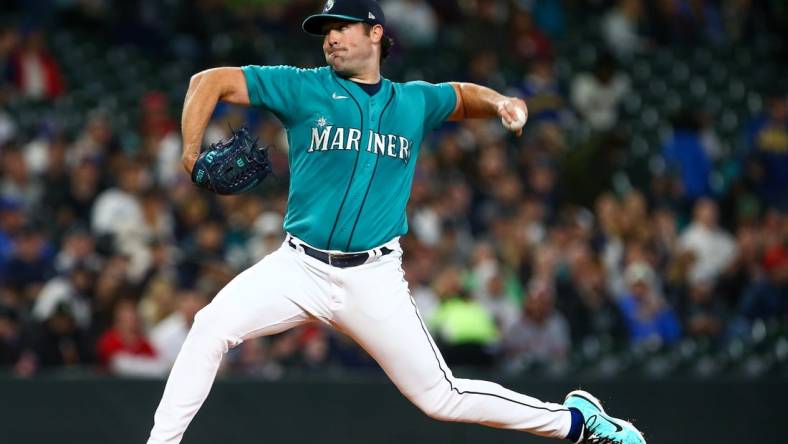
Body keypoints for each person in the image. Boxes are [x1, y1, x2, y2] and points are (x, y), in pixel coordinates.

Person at [146, 1, 646, 443]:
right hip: (298, 268)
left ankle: (576, 423)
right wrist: (191, 156)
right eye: (326, 30)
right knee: (210, 325)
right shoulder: (302, 88)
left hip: (373, 278)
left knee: (440, 398)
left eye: (342, 26)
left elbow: (460, 94)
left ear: (375, 32)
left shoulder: (411, 102)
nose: (331, 38)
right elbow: (206, 81)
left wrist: (502, 103)